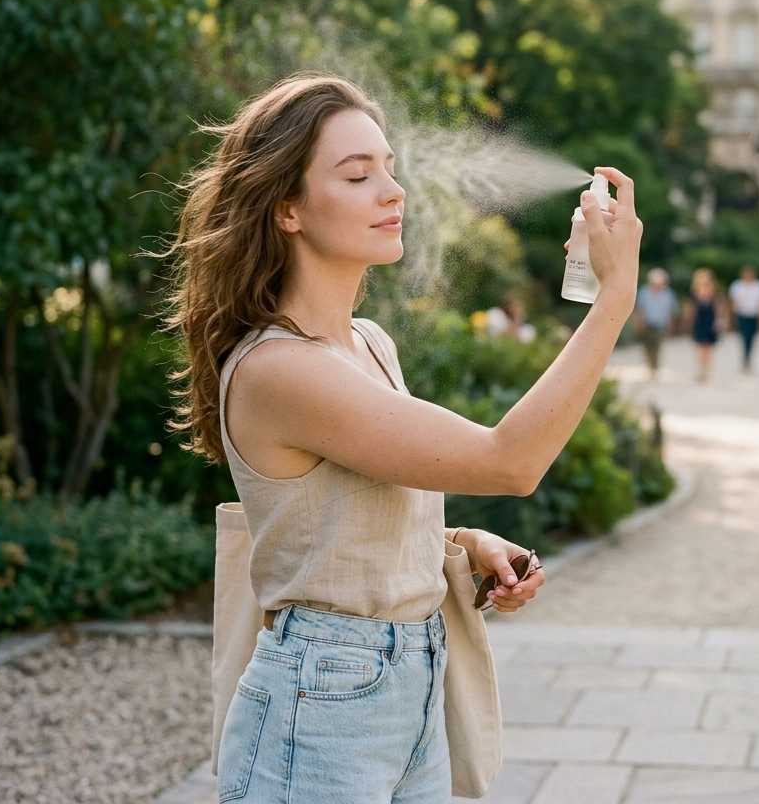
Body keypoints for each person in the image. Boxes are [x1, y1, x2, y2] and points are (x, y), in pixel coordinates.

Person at [165, 74, 643, 802]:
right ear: (286, 209)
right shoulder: (279, 370)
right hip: (320, 706)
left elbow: (339, 519)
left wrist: (457, 545)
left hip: (411, 685)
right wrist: (614, 299)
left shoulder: (367, 343)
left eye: (389, 168)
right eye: (359, 175)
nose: (394, 191)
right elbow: (510, 461)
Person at [634, 268, 677, 378]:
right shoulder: (644, 292)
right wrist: (639, 323)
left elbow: (669, 311)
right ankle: (650, 365)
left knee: (658, 346)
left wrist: (670, 324)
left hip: (660, 324)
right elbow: (640, 309)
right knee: (648, 346)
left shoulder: (668, 294)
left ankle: (655, 367)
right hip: (647, 323)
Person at [686, 267, 723, 382]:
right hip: (699, 324)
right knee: (700, 348)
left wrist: (720, 322)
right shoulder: (695, 296)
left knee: (708, 348)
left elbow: (718, 310)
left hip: (710, 324)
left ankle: (705, 369)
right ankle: (701, 369)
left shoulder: (714, 296)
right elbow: (691, 312)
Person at [729, 265, 759, 372]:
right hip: (742, 314)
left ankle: (748, 356)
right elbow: (734, 301)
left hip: (754, 315)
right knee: (744, 336)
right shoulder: (737, 286)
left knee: (752, 337)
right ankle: (745, 357)